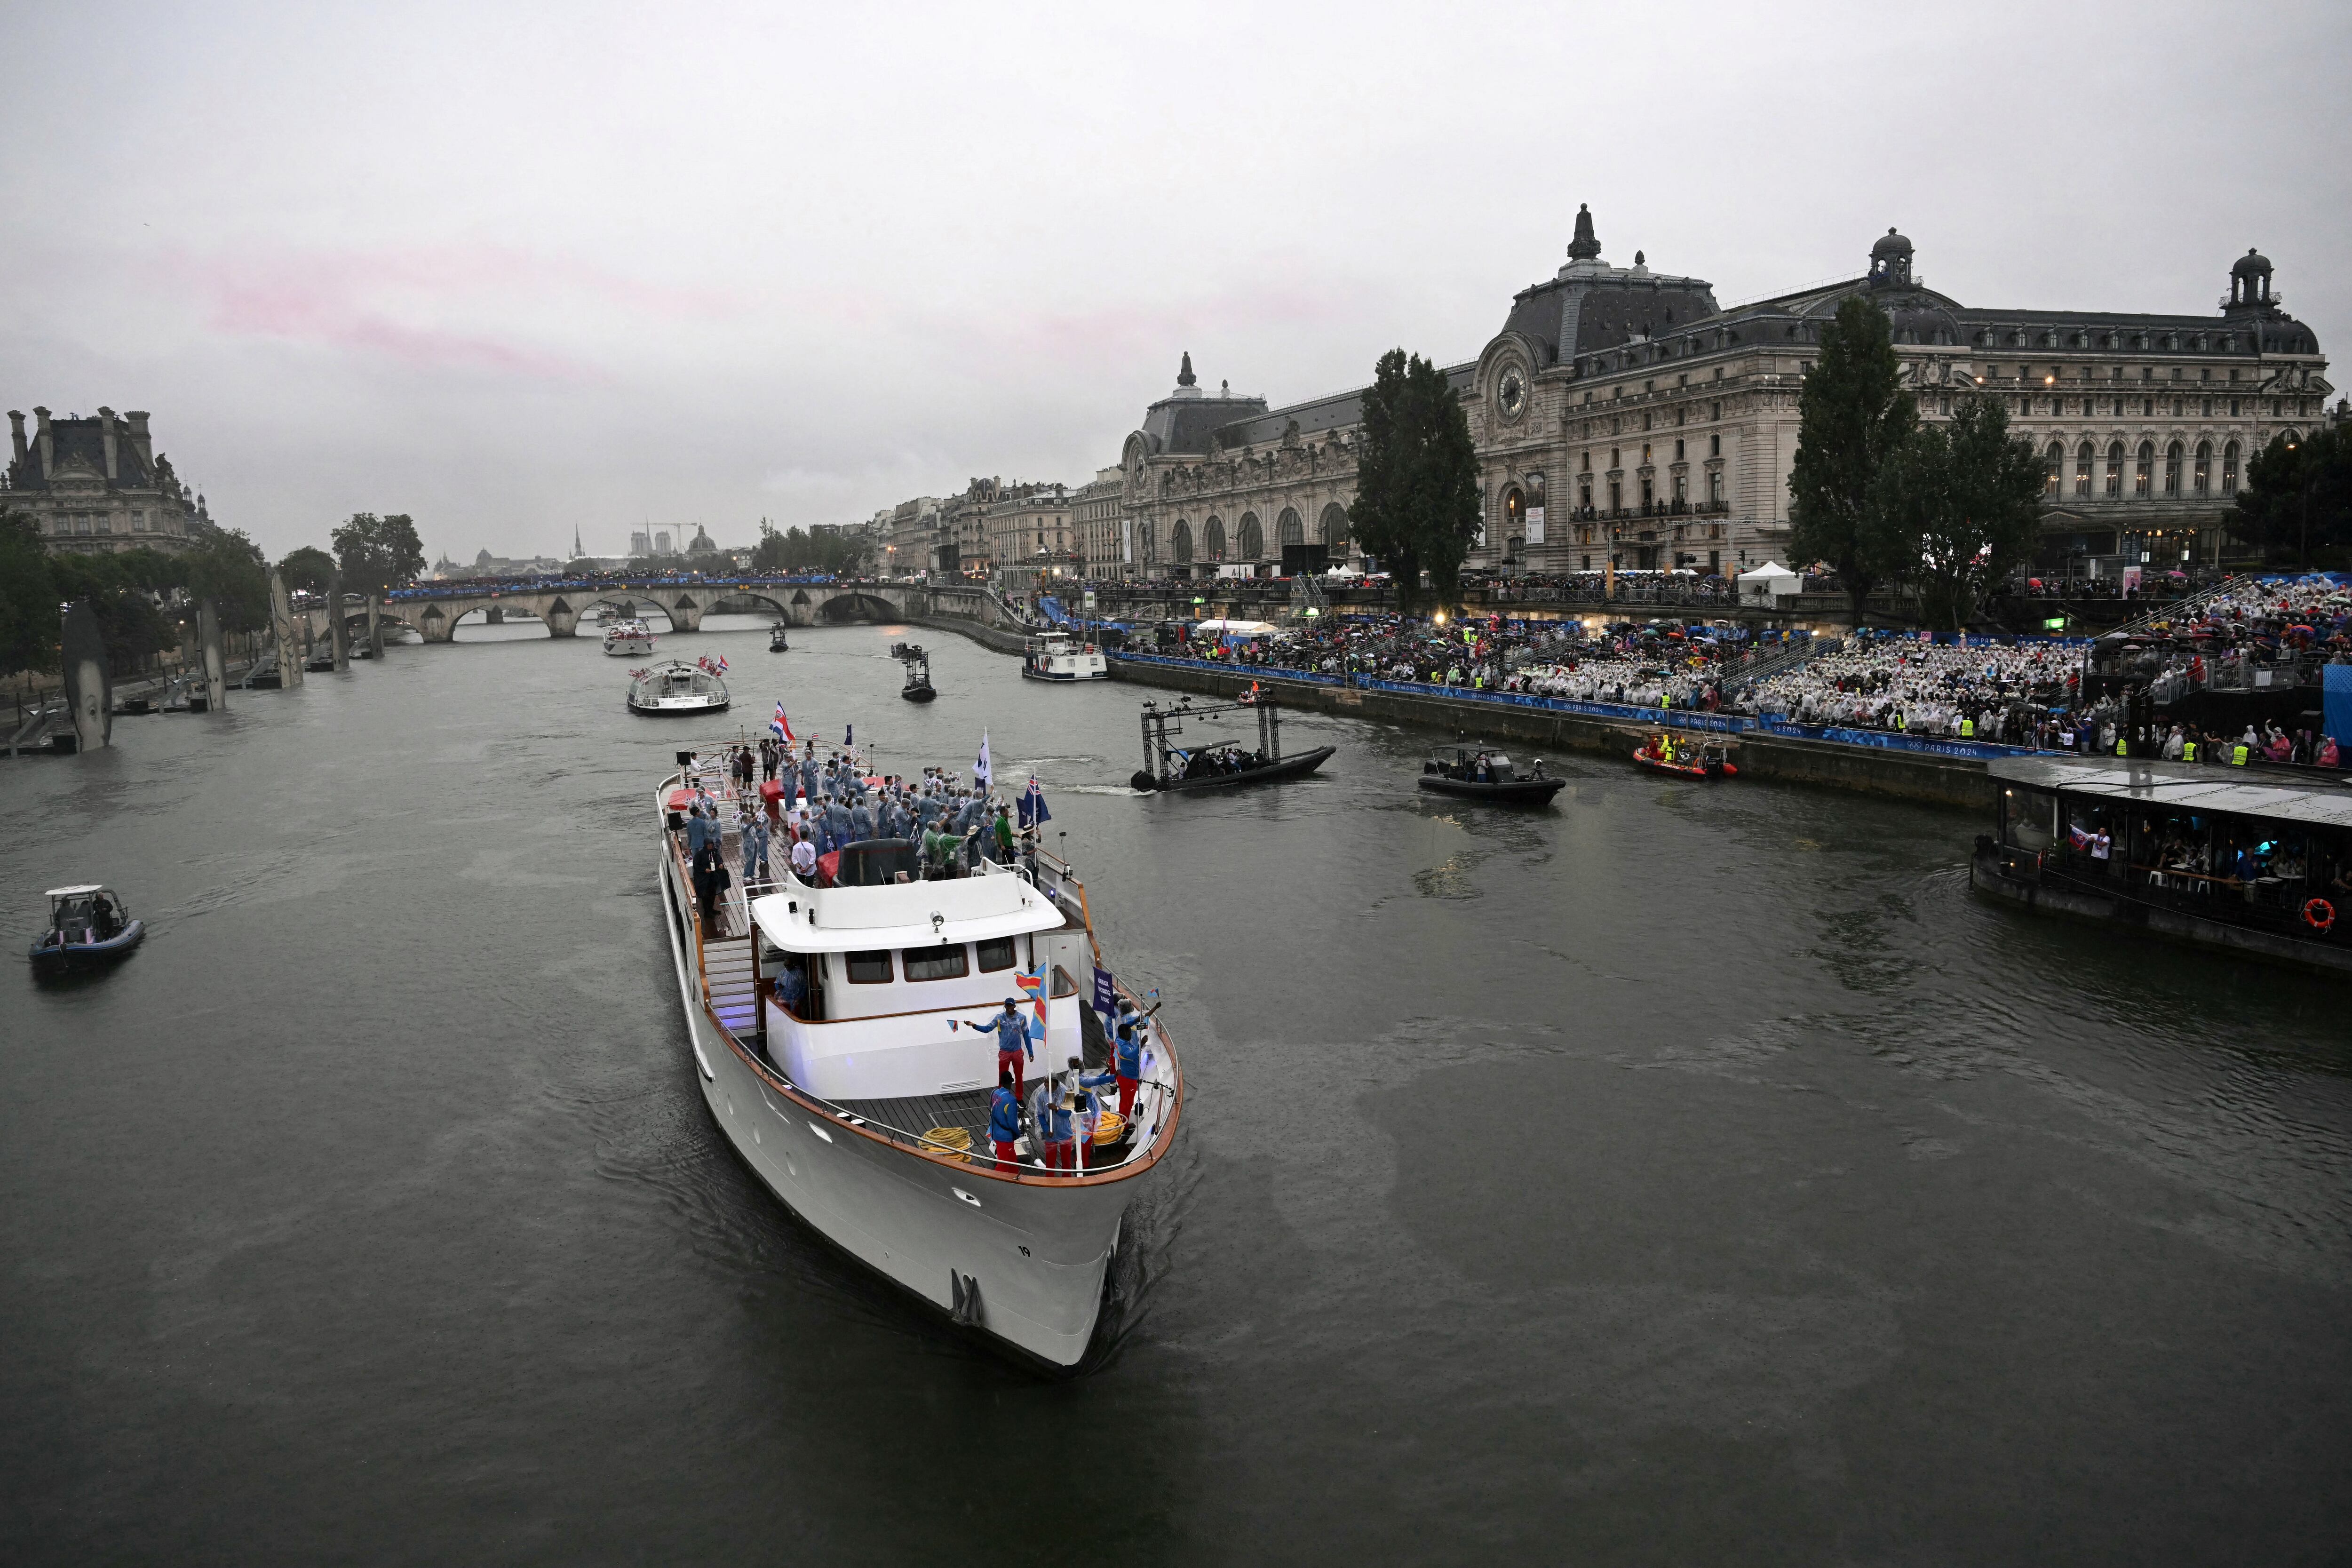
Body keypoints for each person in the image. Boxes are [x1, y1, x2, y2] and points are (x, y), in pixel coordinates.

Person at [987, 1069, 1023, 1172]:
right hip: (1005, 1138)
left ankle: (1014, 1176)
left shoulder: (994, 1093)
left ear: (1001, 1081)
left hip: (994, 1132)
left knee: (1012, 1161)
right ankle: (995, 1181)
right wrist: (1017, 1134)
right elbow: (1012, 1122)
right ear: (1011, 1081)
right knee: (1003, 1164)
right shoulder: (1011, 1100)